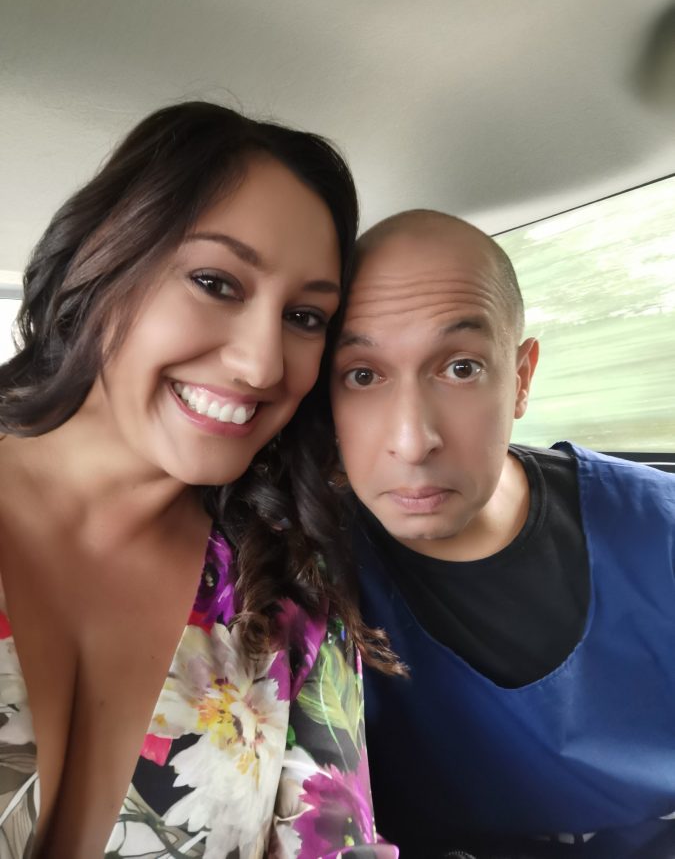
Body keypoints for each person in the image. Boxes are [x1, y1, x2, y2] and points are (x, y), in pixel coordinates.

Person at [0, 102, 401, 859]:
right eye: (216, 282)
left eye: (305, 318)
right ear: (100, 262)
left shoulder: (287, 596)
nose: (261, 364)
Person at [330, 209, 675, 859]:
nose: (412, 441)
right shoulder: (300, 569)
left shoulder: (658, 529)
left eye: (460, 368)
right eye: (363, 375)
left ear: (520, 378)